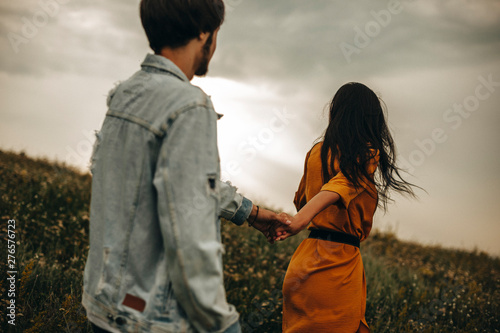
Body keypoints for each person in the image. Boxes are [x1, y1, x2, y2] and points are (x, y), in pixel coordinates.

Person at [81, 1, 290, 332]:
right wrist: (220, 323)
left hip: (103, 305)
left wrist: (251, 213)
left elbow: (179, 184)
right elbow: (190, 236)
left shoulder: (124, 94)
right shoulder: (190, 106)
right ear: (205, 33)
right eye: (217, 33)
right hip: (152, 317)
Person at [274, 82, 418, 332]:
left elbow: (303, 199)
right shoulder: (366, 155)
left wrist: (302, 216)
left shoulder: (316, 152)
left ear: (335, 113)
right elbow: (338, 186)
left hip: (304, 262)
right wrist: (298, 221)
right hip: (335, 266)